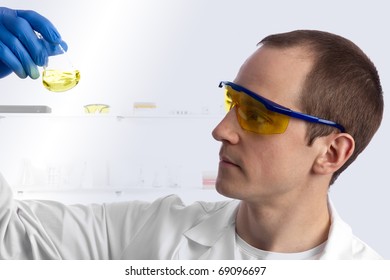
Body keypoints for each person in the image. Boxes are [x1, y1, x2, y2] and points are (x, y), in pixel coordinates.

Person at [0, 7, 384, 259]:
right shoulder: (153, 234)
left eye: (257, 114)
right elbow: (10, 237)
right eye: (232, 103)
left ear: (331, 153)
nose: (221, 131)